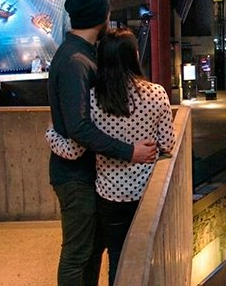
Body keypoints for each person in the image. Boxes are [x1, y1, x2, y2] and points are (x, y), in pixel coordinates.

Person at [46, 28, 174, 283]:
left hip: (110, 195)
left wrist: (50, 134)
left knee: (117, 254)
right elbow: (167, 143)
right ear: (135, 55)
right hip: (145, 191)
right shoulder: (156, 94)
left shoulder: (94, 100)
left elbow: (74, 149)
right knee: (143, 255)